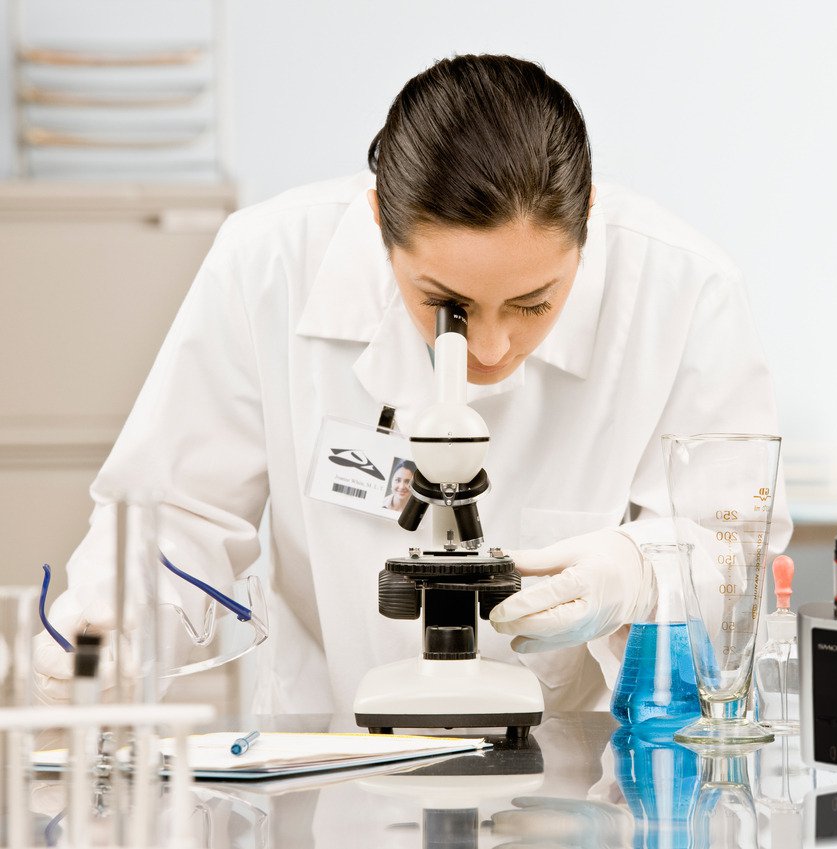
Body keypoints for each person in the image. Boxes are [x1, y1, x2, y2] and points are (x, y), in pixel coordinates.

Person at [34, 54, 790, 713]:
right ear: (377, 224)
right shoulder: (268, 265)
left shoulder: (685, 292)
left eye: (533, 303)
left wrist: (640, 571)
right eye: (447, 305)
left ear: (588, 217)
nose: (491, 347)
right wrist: (104, 638)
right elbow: (177, 515)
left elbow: (736, 550)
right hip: (331, 762)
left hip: (579, 777)